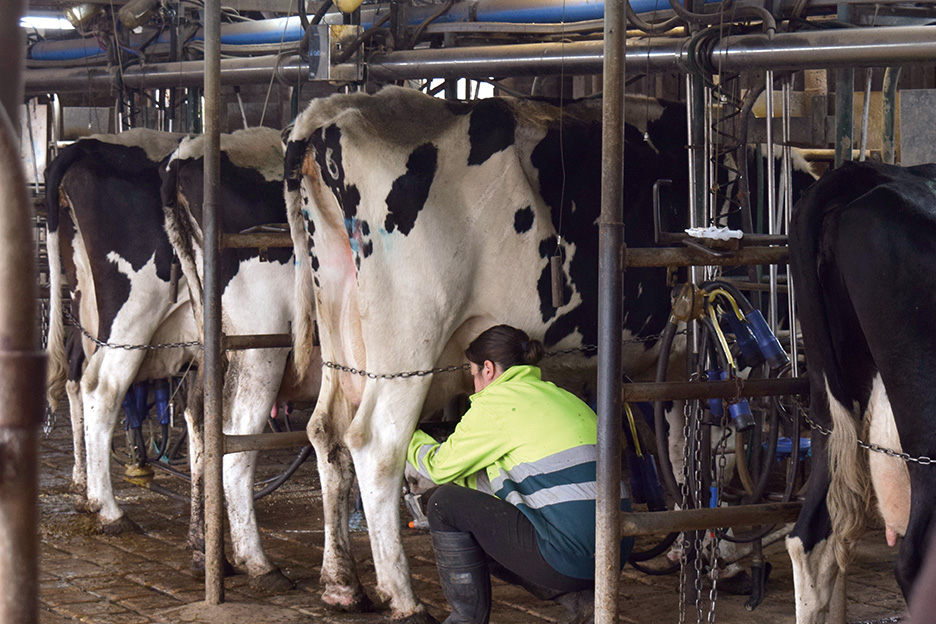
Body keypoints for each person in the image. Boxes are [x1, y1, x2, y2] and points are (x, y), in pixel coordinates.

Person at [407, 325, 634, 624]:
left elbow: (438, 466)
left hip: (569, 558)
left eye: (473, 374)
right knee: (480, 505)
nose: (473, 384)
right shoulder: (560, 396)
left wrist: (405, 436)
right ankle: (582, 600)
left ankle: (465, 619)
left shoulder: (495, 403)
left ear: (487, 369)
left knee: (444, 504)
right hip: (614, 553)